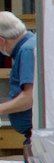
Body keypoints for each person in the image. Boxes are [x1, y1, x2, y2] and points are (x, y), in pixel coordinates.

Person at [0, 12, 36, 142]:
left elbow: (29, 97)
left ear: (1, 40)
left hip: (35, 134)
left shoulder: (26, 51)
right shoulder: (31, 44)